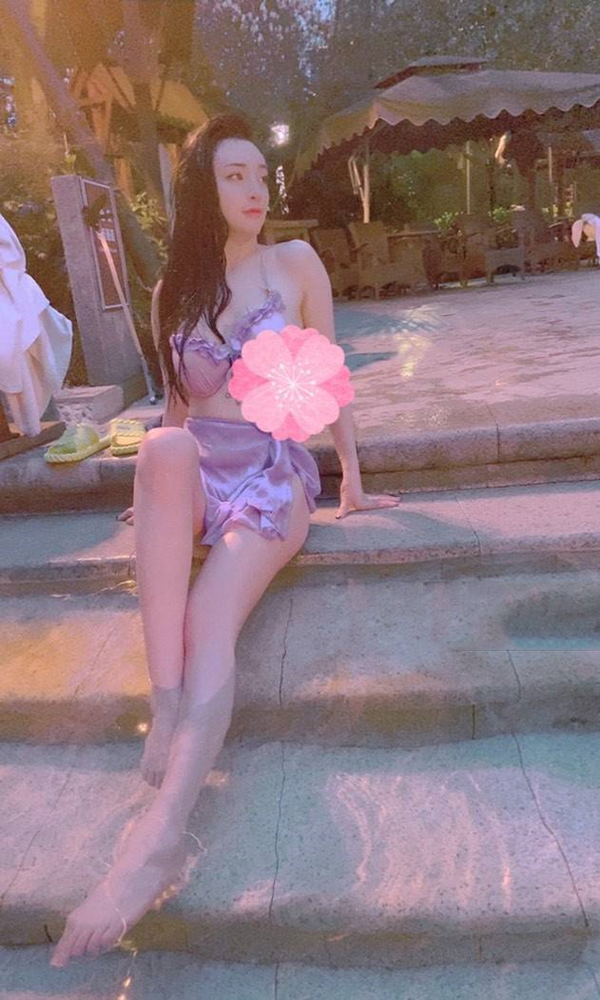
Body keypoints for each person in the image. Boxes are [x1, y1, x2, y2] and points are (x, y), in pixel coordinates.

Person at [50, 113, 401, 967]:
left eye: (258, 174)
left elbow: (329, 377)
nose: (254, 189)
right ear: (204, 192)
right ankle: (168, 701)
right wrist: (153, 501)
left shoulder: (295, 264)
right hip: (198, 465)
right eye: (234, 176)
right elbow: (176, 410)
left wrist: (351, 477)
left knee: (209, 617)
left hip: (270, 469)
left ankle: (160, 837)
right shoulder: (176, 290)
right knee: (163, 450)